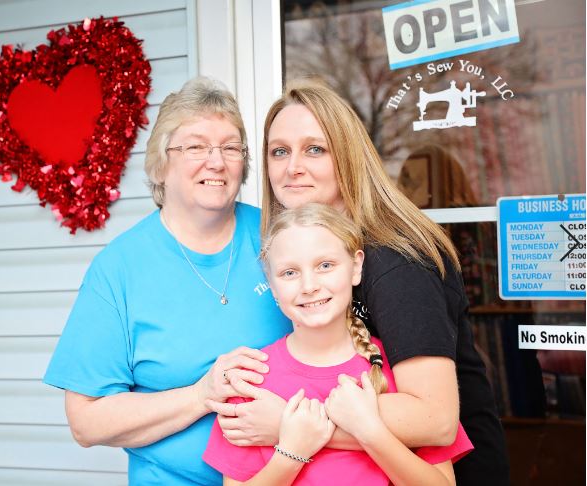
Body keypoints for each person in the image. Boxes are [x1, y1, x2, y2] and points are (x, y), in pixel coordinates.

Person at [207, 79, 509, 485]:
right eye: (279, 151)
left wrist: (286, 420)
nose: (293, 167)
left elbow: (436, 420)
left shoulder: (395, 260)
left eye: (315, 149)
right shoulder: (323, 255)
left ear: (347, 156)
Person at [43, 77, 291, 485]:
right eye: (195, 146)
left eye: (230, 147)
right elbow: (85, 421)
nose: (216, 162)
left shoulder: (279, 237)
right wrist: (201, 395)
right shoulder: (119, 268)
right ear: (161, 164)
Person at [203, 203, 473, 485]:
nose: (309, 285)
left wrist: (370, 432)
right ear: (271, 284)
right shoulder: (251, 380)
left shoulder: (398, 371)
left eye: (325, 266)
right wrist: (291, 453)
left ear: (355, 267)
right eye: (289, 273)